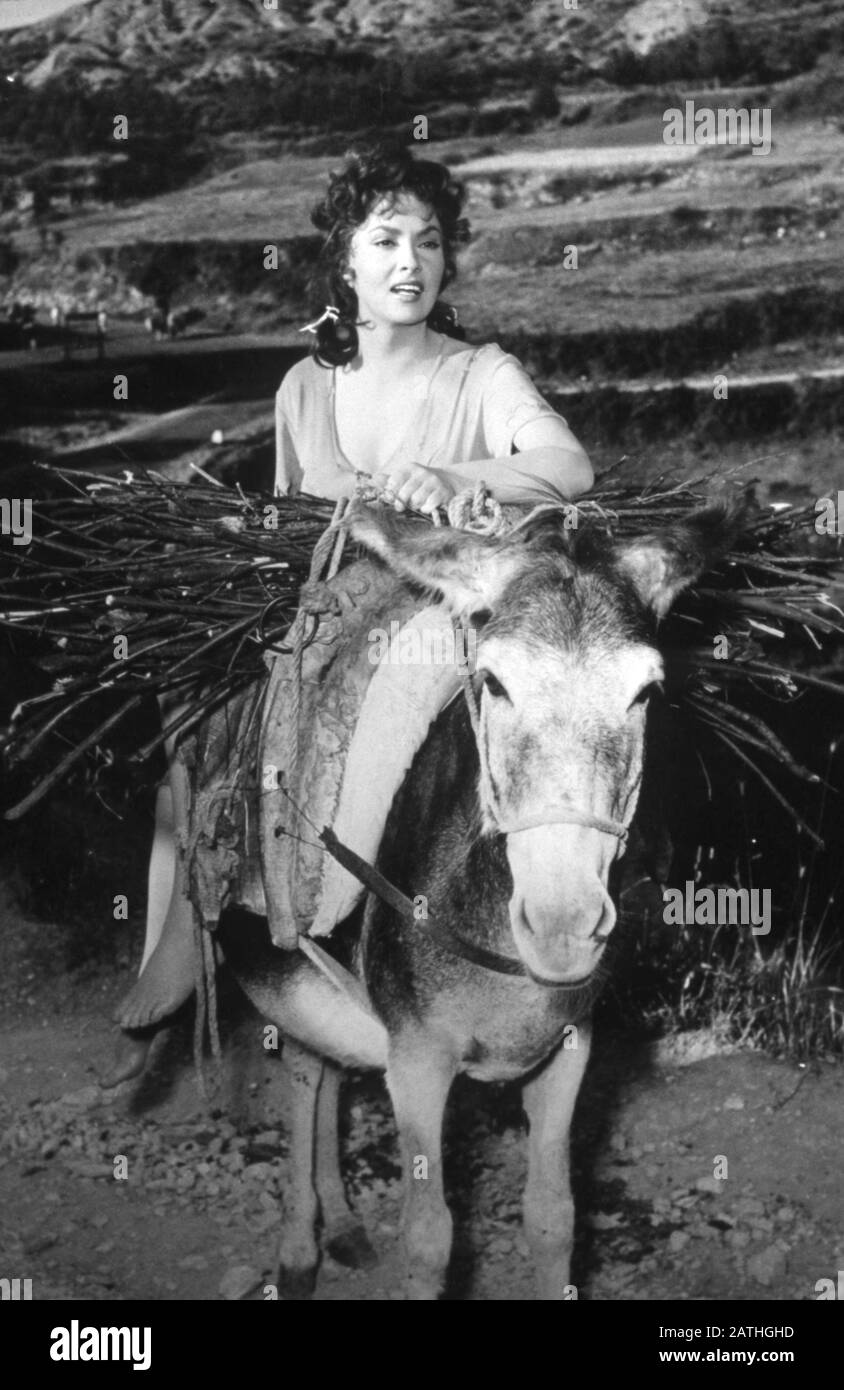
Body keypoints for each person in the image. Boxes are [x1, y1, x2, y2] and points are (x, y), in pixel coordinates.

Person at [102, 141, 593, 1087]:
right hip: (325, 612)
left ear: (448, 261)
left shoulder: (482, 375)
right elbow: (295, 524)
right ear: (347, 263)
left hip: (431, 615)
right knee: (193, 705)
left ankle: (335, 926)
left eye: (430, 242)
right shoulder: (303, 389)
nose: (409, 263)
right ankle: (180, 935)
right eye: (385, 241)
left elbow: (568, 468)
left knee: (379, 709)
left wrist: (457, 476)